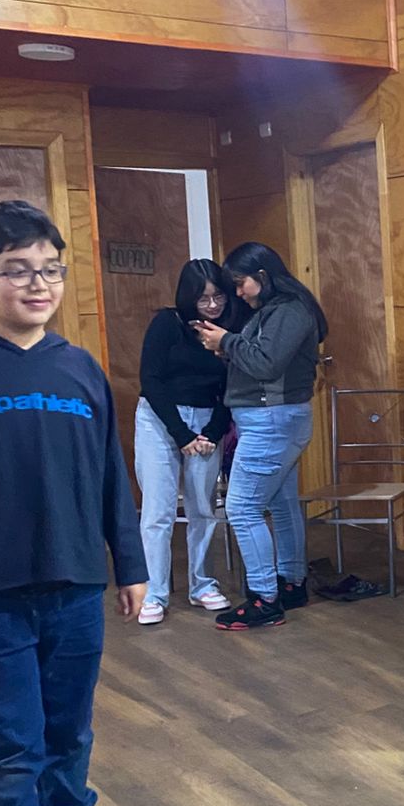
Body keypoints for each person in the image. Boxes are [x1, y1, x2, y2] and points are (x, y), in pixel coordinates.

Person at [0, 199, 146, 806]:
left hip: (78, 583)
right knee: (11, 740)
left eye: (49, 269)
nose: (36, 283)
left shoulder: (81, 369)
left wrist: (133, 565)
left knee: (69, 729)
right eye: (16, 269)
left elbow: (112, 477)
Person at [194, 242, 326, 631]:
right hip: (273, 420)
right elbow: (263, 358)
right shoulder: (278, 310)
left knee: (242, 508)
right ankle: (291, 582)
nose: (238, 292)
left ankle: (265, 599)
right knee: (282, 504)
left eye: (241, 283)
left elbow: (268, 364)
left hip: (271, 421)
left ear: (263, 276)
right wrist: (230, 347)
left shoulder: (290, 310)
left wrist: (226, 342)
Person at [135, 259, 237, 624]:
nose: (212, 306)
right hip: (160, 421)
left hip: (207, 422)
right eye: (203, 299)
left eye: (218, 297)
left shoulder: (229, 330)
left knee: (203, 508)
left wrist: (211, 433)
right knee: (158, 511)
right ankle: (155, 592)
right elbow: (151, 379)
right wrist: (180, 434)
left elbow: (232, 389)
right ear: (187, 297)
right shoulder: (167, 323)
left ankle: (202, 584)